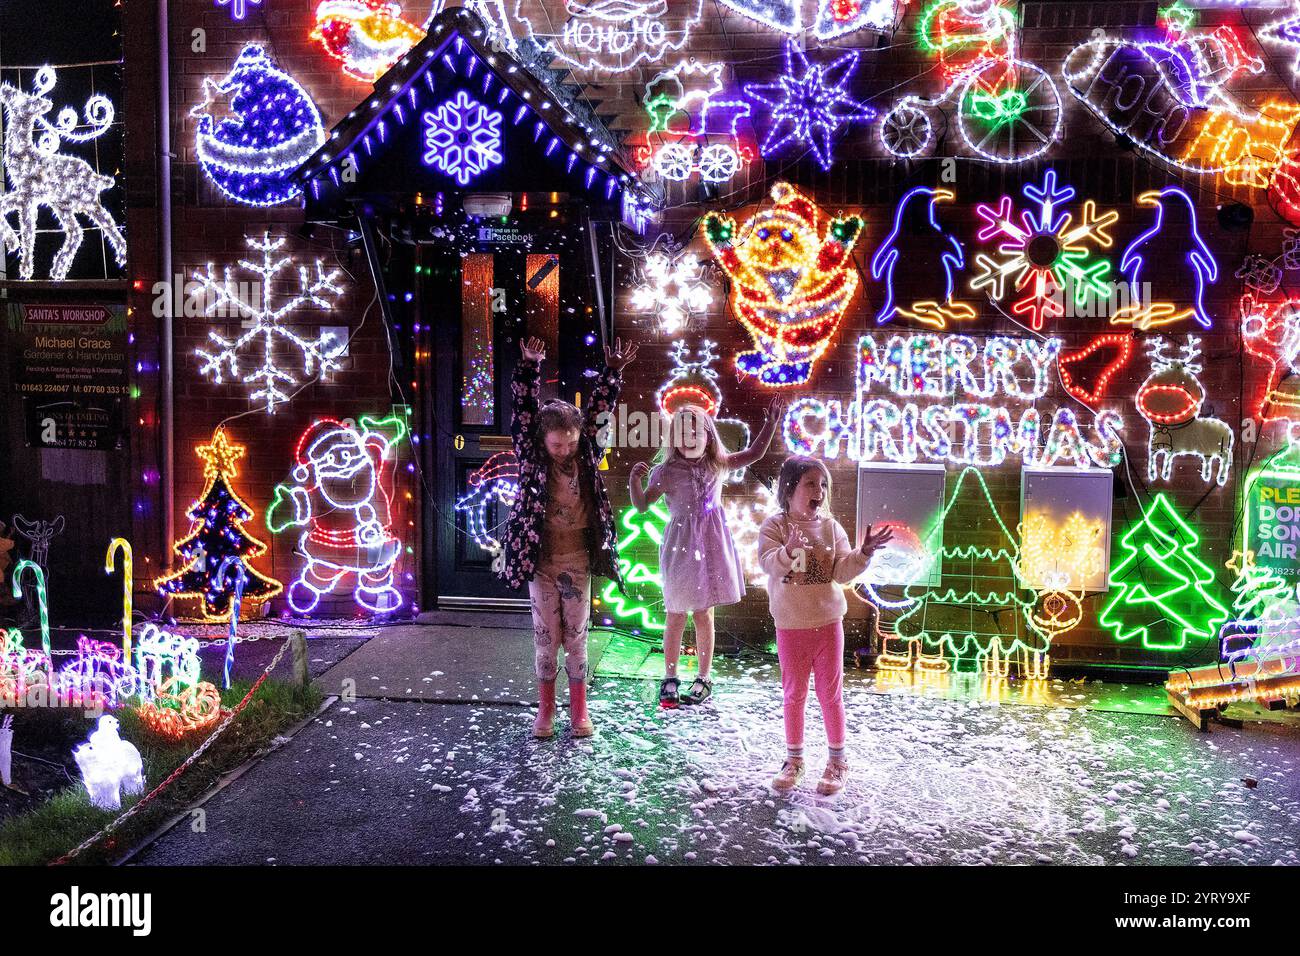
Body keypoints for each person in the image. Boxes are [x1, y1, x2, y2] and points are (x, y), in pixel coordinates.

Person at [499, 335, 638, 738]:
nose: (564, 450)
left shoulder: (587, 453)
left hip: (578, 559)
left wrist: (613, 372)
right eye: (557, 444)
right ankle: (545, 712)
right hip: (541, 561)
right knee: (546, 637)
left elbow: (598, 411)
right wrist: (528, 366)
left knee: (577, 638)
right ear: (542, 441)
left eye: (571, 443)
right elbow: (523, 410)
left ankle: (579, 712)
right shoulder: (531, 453)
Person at [629, 397, 781, 708]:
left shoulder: (717, 463)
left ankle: (704, 677)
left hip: (711, 545)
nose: (691, 437)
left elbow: (753, 454)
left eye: (697, 430)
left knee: (703, 613)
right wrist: (634, 482)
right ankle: (669, 677)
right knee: (675, 613)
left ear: (708, 433)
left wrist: (770, 425)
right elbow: (643, 506)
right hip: (681, 547)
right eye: (684, 432)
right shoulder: (666, 471)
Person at [758, 455, 892, 795]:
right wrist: (787, 551)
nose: (819, 490)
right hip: (790, 626)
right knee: (794, 695)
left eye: (822, 485)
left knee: (830, 694)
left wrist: (863, 554)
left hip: (828, 624)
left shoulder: (830, 527)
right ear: (789, 488)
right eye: (810, 483)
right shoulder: (774, 526)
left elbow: (842, 571)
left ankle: (837, 761)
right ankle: (794, 760)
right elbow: (769, 565)